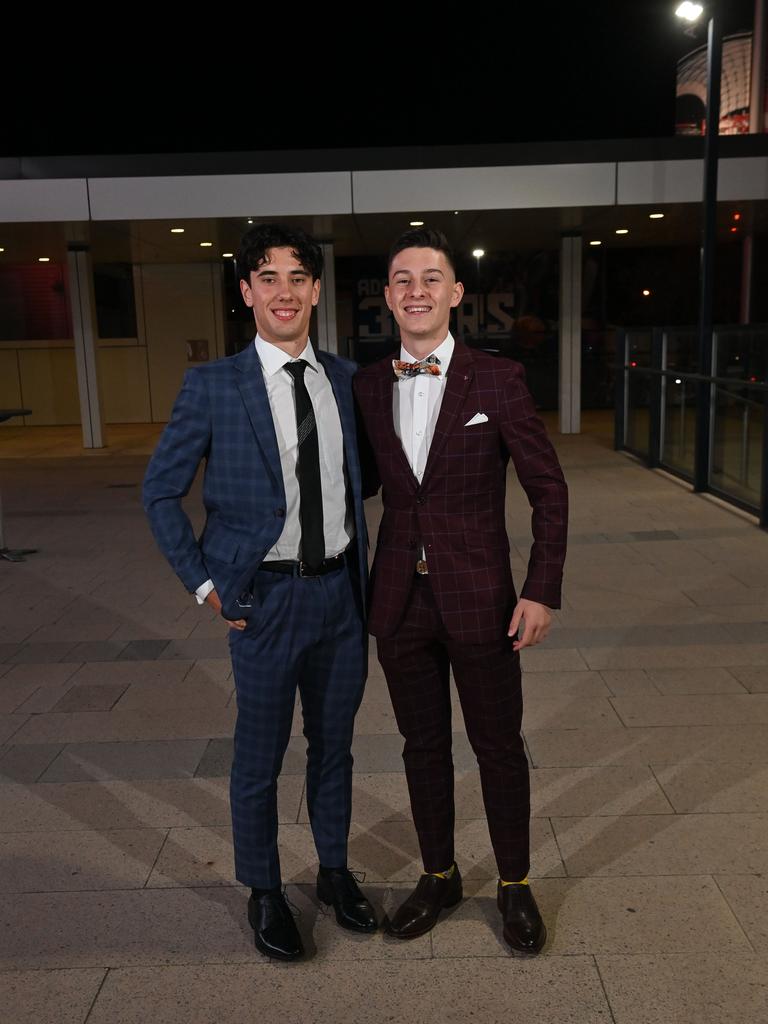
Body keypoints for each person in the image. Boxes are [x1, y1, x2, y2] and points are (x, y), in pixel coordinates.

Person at [143, 223, 377, 961]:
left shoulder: (347, 379)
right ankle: (266, 890)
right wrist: (206, 583)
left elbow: (363, 479)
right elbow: (159, 492)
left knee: (334, 748)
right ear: (246, 293)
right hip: (264, 603)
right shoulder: (212, 385)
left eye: (297, 277)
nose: (284, 291)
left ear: (315, 290)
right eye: (267, 278)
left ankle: (334, 872)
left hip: (341, 596)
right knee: (259, 757)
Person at [353, 227, 568, 954]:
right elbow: (359, 486)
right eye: (403, 280)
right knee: (422, 747)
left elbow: (549, 489)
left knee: (498, 746)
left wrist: (541, 590)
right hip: (399, 605)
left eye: (431, 278)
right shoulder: (366, 384)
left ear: (455, 293)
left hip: (482, 599)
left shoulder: (498, 381)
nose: (417, 290)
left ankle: (514, 885)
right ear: (388, 297)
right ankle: (439, 875)